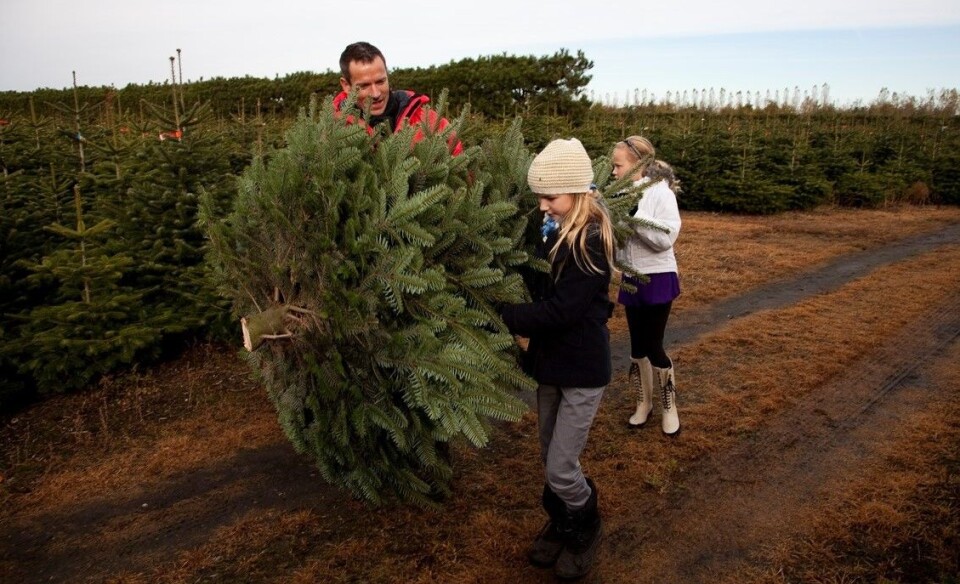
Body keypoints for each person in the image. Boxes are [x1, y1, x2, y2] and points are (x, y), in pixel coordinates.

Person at [499, 138, 615, 580]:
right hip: (551, 367)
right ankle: (561, 520)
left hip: (583, 371)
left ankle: (586, 525)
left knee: (564, 465)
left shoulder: (588, 241)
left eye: (550, 197)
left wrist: (506, 314)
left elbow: (561, 310)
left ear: (577, 193)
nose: (542, 206)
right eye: (539, 197)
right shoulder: (554, 230)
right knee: (550, 455)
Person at [611, 135, 682, 436]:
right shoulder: (619, 193)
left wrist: (634, 216)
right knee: (637, 346)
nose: (613, 172)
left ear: (637, 164)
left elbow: (665, 238)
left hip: (657, 277)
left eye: (617, 166)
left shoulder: (659, 193)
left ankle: (670, 406)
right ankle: (644, 403)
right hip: (632, 277)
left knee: (653, 344)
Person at [333, 41, 462, 155]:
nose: (376, 93)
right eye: (364, 85)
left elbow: (462, 169)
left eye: (380, 81)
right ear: (346, 85)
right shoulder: (333, 129)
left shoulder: (430, 121)